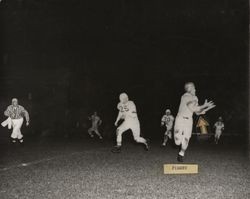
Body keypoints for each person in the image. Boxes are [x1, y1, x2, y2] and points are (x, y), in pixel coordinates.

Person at [174, 82, 215, 162]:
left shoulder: (195, 98)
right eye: (192, 87)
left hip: (189, 120)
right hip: (180, 119)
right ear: (188, 89)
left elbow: (197, 112)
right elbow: (192, 107)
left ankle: (181, 153)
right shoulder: (186, 96)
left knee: (186, 140)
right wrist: (204, 105)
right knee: (177, 142)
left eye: (194, 87)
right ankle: (180, 140)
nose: (195, 89)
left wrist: (207, 108)